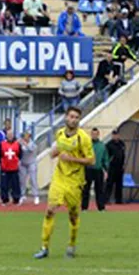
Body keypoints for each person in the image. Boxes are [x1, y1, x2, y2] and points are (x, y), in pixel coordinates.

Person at [34, 106, 93, 259]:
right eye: (71, 117)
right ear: (66, 118)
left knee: (73, 216)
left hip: (75, 181)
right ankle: (44, 247)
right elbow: (56, 151)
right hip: (59, 178)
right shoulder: (59, 133)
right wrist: (54, 152)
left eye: (76, 118)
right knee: (49, 211)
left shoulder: (83, 138)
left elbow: (91, 160)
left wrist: (72, 159)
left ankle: (72, 245)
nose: (73, 120)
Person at [82, 127, 108, 212]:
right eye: (93, 134)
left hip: (98, 170)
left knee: (99, 190)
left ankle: (101, 208)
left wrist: (106, 170)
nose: (94, 135)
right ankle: (84, 208)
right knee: (86, 189)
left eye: (96, 134)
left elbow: (105, 159)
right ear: (91, 135)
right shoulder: (87, 145)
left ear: (98, 134)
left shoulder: (102, 146)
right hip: (88, 169)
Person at [0, 126, 22, 206]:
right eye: (8, 135)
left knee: (15, 184)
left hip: (14, 168)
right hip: (5, 168)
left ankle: (16, 199)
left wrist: (17, 161)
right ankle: (5, 200)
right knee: (4, 185)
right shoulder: (2, 144)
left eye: (11, 135)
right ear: (6, 135)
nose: (10, 136)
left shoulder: (17, 144)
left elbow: (20, 154)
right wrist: (1, 163)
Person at [105, 129, 127, 205]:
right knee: (109, 184)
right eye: (114, 135)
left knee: (119, 184)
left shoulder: (122, 144)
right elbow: (106, 157)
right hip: (112, 167)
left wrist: (123, 164)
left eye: (117, 134)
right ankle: (106, 199)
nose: (115, 136)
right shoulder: (108, 145)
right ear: (112, 135)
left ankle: (119, 200)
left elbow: (123, 155)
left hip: (120, 167)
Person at [19, 131, 40, 205]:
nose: (24, 137)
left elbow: (31, 149)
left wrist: (25, 144)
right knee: (22, 180)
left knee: (33, 179)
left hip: (31, 163)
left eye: (26, 136)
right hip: (23, 163)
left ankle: (36, 196)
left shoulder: (33, 144)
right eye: (24, 136)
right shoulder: (20, 143)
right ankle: (22, 195)